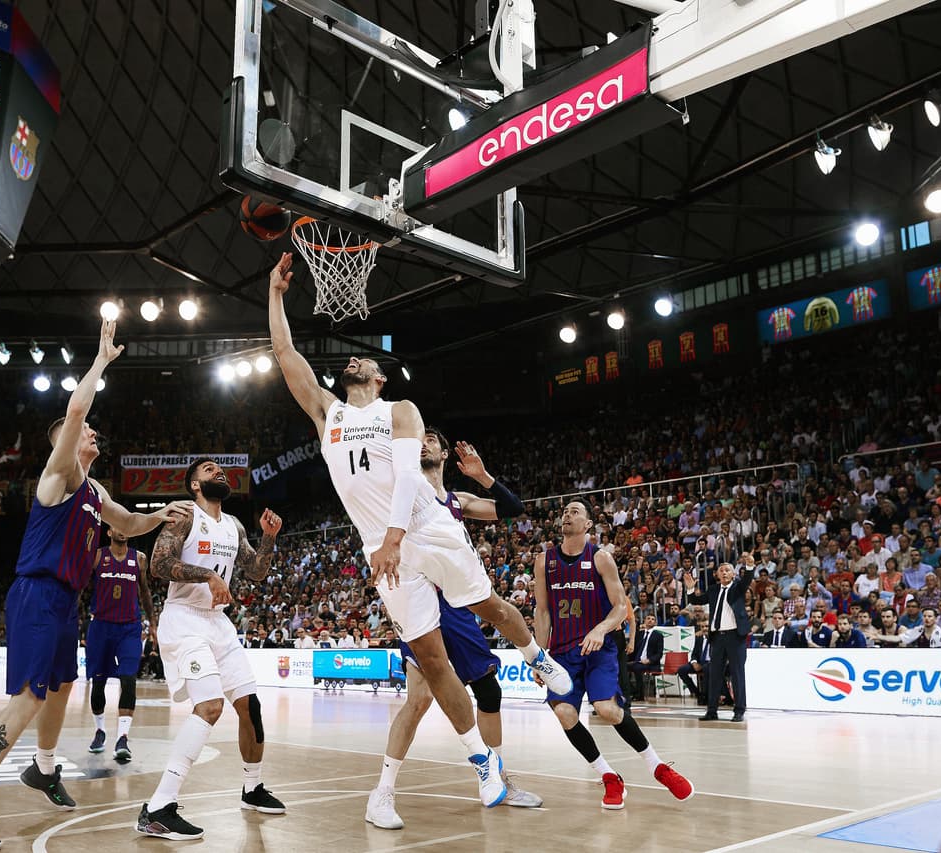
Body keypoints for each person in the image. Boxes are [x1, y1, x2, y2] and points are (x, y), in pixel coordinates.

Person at [268, 253, 570, 811]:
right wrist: (276, 296)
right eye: (351, 359)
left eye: (363, 359)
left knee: (489, 606)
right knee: (431, 662)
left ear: (378, 378)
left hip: (420, 529)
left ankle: (534, 655)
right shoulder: (327, 413)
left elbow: (409, 476)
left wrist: (394, 537)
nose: (353, 360)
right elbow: (286, 354)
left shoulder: (400, 410)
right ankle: (482, 764)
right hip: (381, 548)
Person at [0, 319, 191, 852]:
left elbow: (126, 523)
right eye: (85, 431)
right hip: (37, 594)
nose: (94, 432)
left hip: (65, 602)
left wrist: (160, 514)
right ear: (65, 443)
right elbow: (76, 412)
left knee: (62, 687)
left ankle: (44, 767)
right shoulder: (60, 476)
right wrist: (99, 362)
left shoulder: (96, 491)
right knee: (29, 698)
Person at [366, 429, 541, 830]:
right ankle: (383, 792)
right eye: (418, 439)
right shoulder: (402, 491)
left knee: (489, 688)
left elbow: (513, 509)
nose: (423, 443)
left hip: (457, 604)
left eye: (431, 439)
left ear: (444, 453)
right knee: (418, 700)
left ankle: (499, 777)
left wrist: (483, 477)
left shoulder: (457, 500)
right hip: (417, 600)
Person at [136, 459, 285, 841]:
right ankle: (157, 808)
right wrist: (209, 574)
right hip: (185, 618)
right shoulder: (185, 516)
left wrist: (268, 537)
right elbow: (158, 564)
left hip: (217, 622)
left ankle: (252, 788)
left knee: (249, 705)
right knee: (210, 706)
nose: (218, 471)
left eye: (220, 469)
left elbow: (255, 571)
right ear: (194, 485)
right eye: (208, 469)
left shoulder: (234, 525)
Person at [533, 501, 693, 810]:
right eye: (565, 510)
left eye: (576, 511)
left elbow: (621, 606)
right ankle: (608, 776)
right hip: (563, 651)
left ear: (589, 524)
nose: (568, 514)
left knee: (606, 708)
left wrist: (601, 629)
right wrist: (541, 658)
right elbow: (542, 612)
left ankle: (657, 766)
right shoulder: (544, 561)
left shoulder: (601, 558)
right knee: (565, 713)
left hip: (598, 648)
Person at [85, 526, 156, 761]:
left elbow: (144, 592)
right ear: (109, 532)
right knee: (98, 684)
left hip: (129, 628)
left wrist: (153, 623)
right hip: (101, 627)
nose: (122, 529)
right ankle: (100, 730)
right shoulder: (97, 556)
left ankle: (123, 738)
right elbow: (80, 587)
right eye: (117, 524)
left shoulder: (140, 559)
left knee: (128, 680)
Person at [682, 563, 749, 722]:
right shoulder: (713, 590)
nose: (724, 573)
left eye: (727, 571)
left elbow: (747, 579)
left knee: (737, 674)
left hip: (735, 636)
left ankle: (739, 710)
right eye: (721, 571)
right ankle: (711, 711)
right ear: (717, 575)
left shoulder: (738, 587)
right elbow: (696, 600)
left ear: (733, 574)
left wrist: (751, 567)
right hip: (717, 637)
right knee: (714, 674)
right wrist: (691, 588)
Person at [628, 614, 664, 702]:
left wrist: (649, 660)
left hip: (651, 663)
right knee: (621, 668)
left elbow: (659, 653)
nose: (650, 620)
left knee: (637, 668)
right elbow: (634, 649)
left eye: (653, 619)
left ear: (655, 623)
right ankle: (633, 691)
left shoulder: (658, 635)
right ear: (644, 621)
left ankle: (640, 695)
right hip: (637, 661)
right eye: (648, 618)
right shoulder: (639, 634)